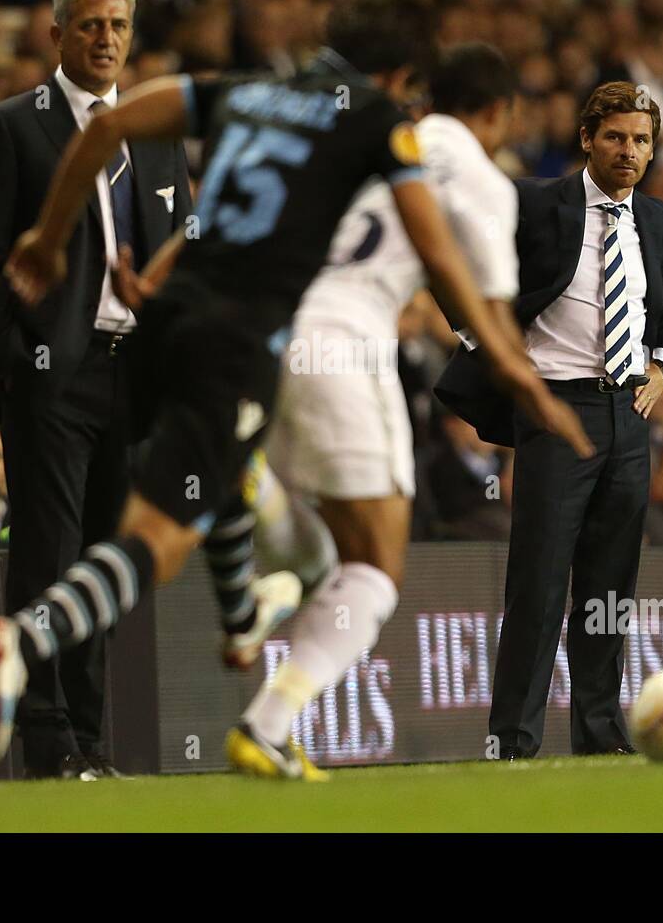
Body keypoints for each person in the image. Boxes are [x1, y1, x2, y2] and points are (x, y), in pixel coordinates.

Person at [0, 0, 589, 778]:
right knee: (173, 545)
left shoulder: (246, 88)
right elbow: (435, 252)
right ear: (401, 78)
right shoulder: (377, 125)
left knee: (210, 483)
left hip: (158, 326)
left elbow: (113, 123)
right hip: (248, 337)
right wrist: (514, 372)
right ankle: (28, 639)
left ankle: (240, 618)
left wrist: (49, 240)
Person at [212, 42, 527, 774]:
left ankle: (266, 501)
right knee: (378, 570)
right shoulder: (475, 177)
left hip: (268, 329)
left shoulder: (364, 142)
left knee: (322, 558)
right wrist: (527, 385)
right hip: (347, 346)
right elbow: (482, 304)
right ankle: (266, 723)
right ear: (499, 113)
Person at [0, 0, 194, 781]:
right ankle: (49, 743)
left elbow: (178, 254)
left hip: (134, 378)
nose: (105, 39)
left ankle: (91, 741)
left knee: (103, 562)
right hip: (54, 375)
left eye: (118, 25)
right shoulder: (12, 126)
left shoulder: (157, 135)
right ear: (57, 36)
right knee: (48, 556)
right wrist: (16, 366)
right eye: (89, 25)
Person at [436, 80, 663, 758]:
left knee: (610, 588)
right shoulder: (534, 201)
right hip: (555, 408)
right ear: (586, 139)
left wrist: (662, 365)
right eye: (615, 137)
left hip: (628, 415)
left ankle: (601, 736)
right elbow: (447, 247)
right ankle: (512, 741)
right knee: (540, 585)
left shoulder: (658, 220)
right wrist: (479, 339)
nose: (628, 151)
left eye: (640, 140)